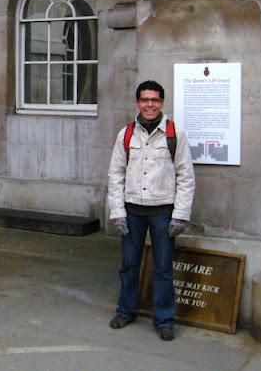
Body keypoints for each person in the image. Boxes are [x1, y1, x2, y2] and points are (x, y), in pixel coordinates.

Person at [107, 80, 195, 341]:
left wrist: (180, 214)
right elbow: (115, 175)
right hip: (132, 210)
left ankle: (165, 319)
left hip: (162, 211)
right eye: (145, 100)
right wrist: (117, 212)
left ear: (162, 103)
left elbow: (186, 176)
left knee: (163, 268)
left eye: (155, 100)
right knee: (129, 265)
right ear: (137, 103)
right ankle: (127, 310)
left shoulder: (174, 134)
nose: (150, 104)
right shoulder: (126, 134)